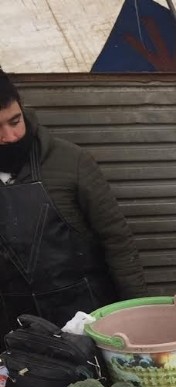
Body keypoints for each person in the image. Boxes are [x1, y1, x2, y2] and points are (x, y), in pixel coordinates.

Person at [0, 70, 147, 336]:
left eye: (15, 121)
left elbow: (118, 241)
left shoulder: (70, 162)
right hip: (16, 333)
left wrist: (136, 314)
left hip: (87, 321)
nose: (10, 136)